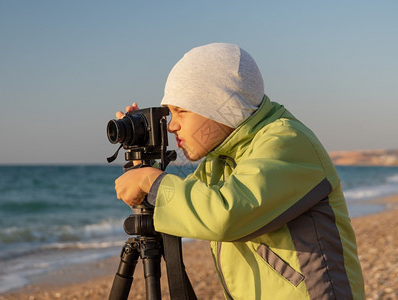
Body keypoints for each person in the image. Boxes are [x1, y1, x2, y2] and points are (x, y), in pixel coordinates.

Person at [114, 43, 365, 299]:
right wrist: (143, 165)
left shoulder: (287, 141)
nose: (171, 126)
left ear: (220, 105)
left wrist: (151, 181)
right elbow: (186, 205)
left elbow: (224, 214)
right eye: (169, 114)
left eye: (181, 111)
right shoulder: (221, 159)